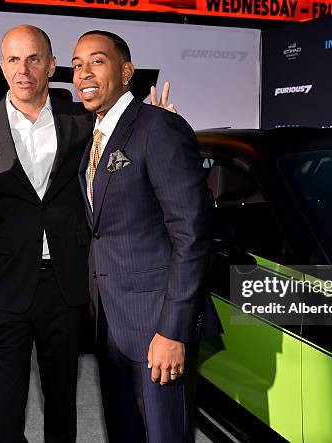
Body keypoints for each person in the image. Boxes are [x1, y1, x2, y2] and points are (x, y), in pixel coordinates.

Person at [0, 25, 174, 443]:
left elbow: (129, 167)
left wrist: (158, 126)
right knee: (3, 408)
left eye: (33, 58)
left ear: (52, 65)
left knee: (62, 400)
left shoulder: (81, 120)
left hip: (66, 284)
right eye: (13, 59)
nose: (23, 69)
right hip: (7, 283)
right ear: (2, 67)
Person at [73, 30, 221, 442]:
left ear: (126, 71)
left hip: (157, 327)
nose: (83, 72)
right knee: (125, 432)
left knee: (165, 435)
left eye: (97, 61)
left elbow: (191, 233)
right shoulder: (95, 140)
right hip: (111, 323)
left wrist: (173, 331)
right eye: (77, 64)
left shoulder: (158, 127)